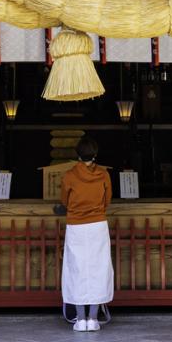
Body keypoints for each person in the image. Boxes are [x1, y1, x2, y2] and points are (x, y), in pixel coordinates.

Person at [59, 135, 113, 331]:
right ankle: (93, 318)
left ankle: (80, 319)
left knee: (77, 270)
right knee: (98, 269)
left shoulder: (70, 175)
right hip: (98, 225)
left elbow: (64, 201)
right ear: (95, 154)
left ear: (78, 154)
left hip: (76, 226)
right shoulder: (104, 174)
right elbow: (107, 201)